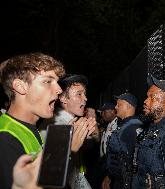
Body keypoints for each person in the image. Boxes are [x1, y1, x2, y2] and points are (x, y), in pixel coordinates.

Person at [0, 52, 65, 189]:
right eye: (47, 81)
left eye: (57, 82)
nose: (59, 89)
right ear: (20, 86)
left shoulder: (29, 127)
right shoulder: (5, 139)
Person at [40, 74, 97, 189]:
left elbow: (91, 145)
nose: (85, 98)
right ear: (63, 98)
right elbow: (51, 176)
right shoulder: (57, 126)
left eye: (85, 94)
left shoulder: (73, 122)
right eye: (79, 94)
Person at [103, 92, 143, 189]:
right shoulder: (125, 126)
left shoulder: (133, 128)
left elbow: (134, 161)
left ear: (128, 106)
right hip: (119, 180)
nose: (115, 107)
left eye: (119, 104)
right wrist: (110, 176)